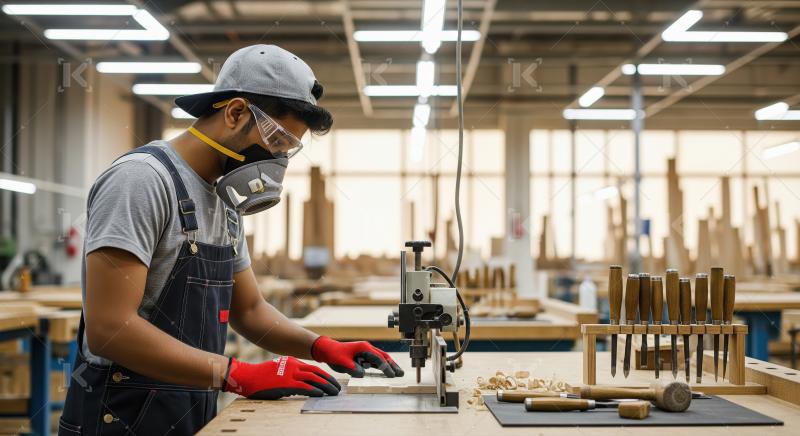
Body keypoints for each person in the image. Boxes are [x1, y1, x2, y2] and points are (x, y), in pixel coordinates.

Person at [59, 44, 403, 436]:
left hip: (189, 404)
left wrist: (321, 346)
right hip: (120, 413)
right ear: (235, 112)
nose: (278, 159)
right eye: (275, 139)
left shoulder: (225, 201)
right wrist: (235, 372)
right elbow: (110, 329)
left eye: (288, 149)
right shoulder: (140, 182)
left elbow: (251, 310)